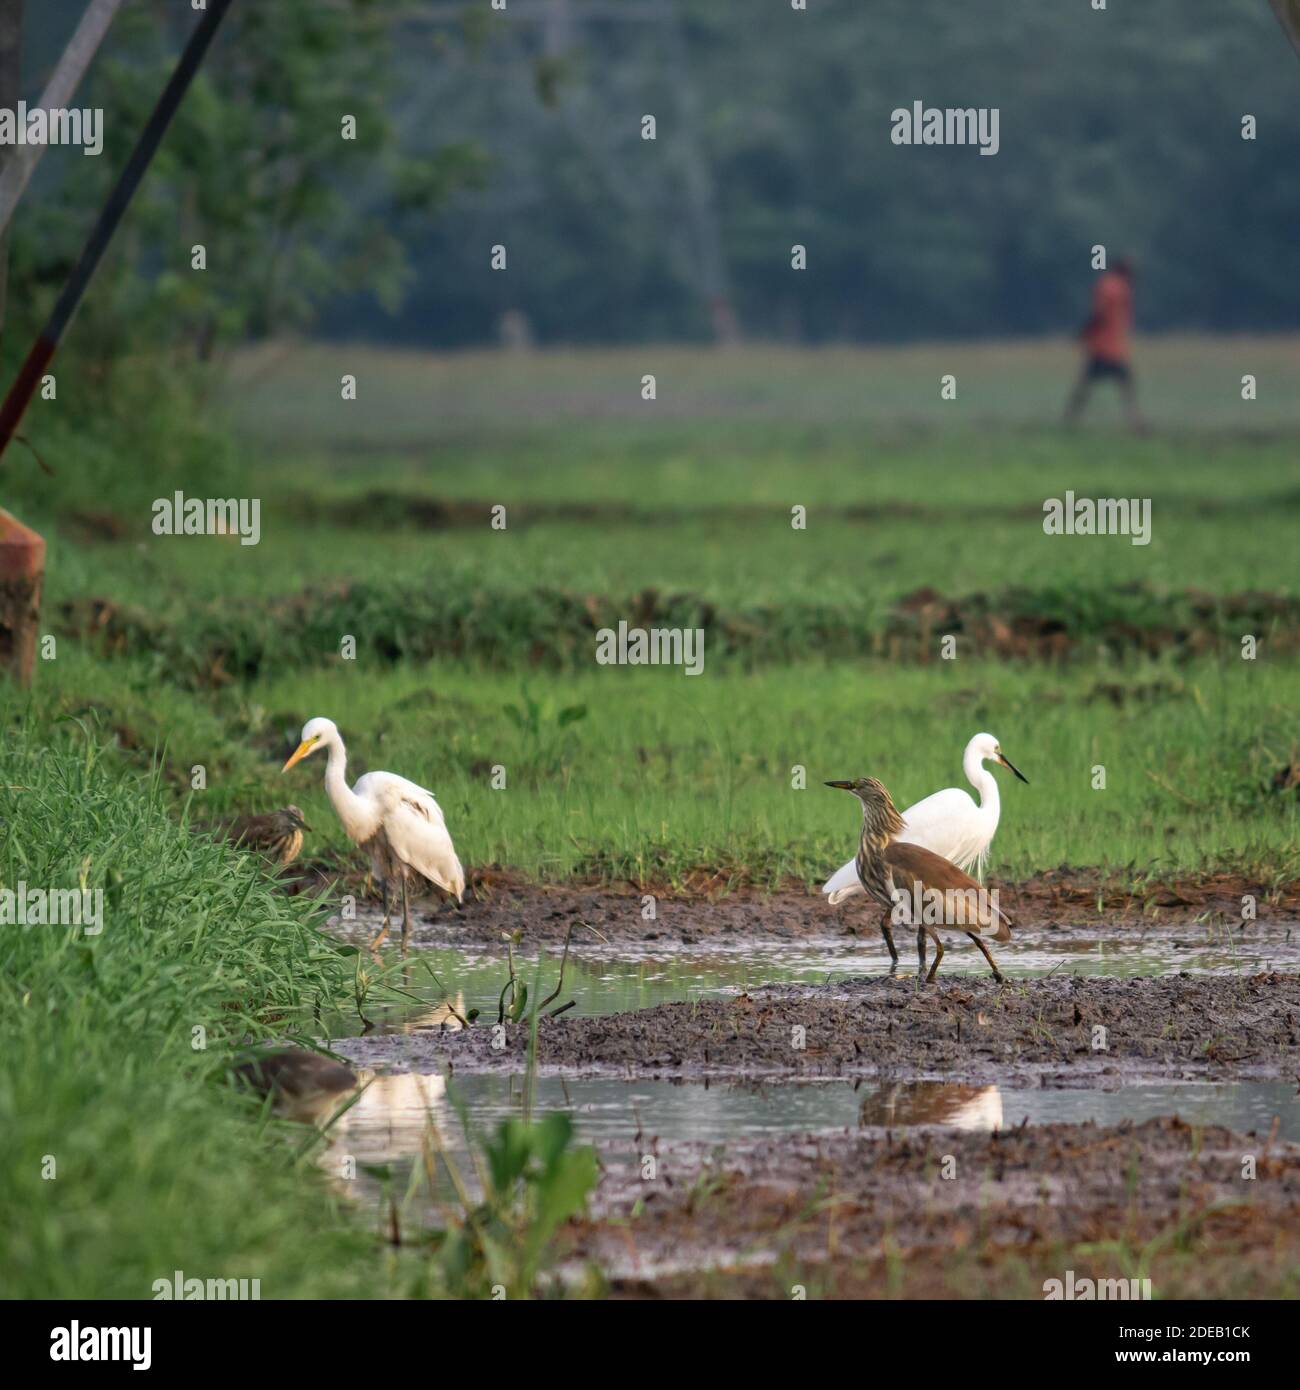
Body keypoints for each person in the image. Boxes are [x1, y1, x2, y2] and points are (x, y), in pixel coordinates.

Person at [1063, 256, 1144, 430]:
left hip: (1104, 346)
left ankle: (1070, 419)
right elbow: (1100, 313)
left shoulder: (1112, 285)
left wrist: (1083, 333)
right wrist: (1086, 331)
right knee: (1125, 385)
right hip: (1108, 347)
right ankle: (1135, 421)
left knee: (1086, 385)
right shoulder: (1116, 287)